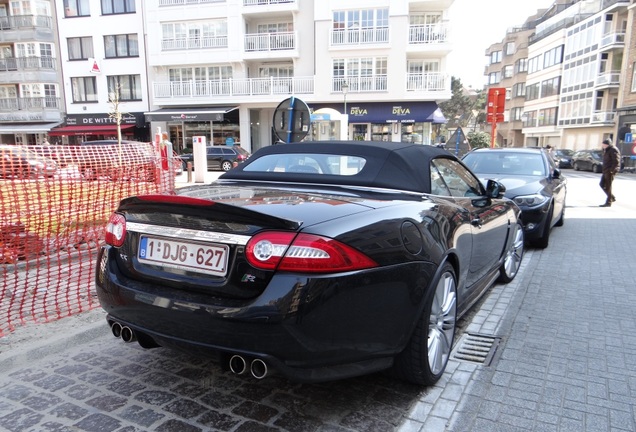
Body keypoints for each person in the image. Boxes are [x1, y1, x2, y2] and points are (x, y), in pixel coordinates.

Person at [599, 138, 620, 207]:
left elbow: (616, 161)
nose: (603, 145)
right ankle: (611, 197)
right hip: (605, 170)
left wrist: (612, 170)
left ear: (608, 144)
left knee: (608, 186)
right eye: (603, 144)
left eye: (604, 144)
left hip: (610, 171)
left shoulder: (613, 149)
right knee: (602, 184)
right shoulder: (606, 150)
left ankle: (608, 202)